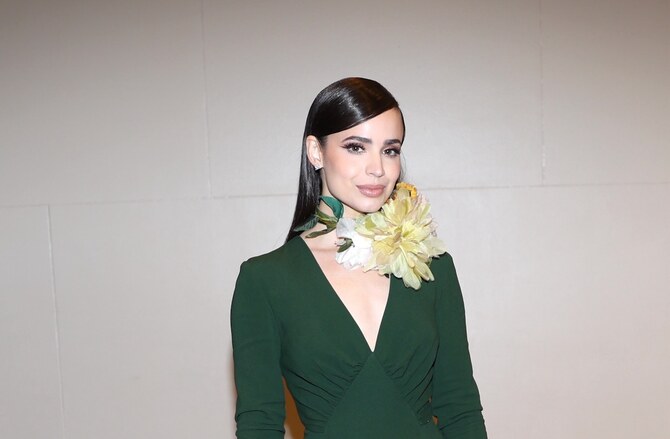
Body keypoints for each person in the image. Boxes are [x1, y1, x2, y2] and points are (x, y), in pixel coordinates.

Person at [231, 77, 487, 438]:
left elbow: (460, 409)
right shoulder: (265, 281)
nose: (377, 168)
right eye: (356, 147)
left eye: (390, 150)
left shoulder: (432, 266)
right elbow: (259, 424)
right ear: (316, 152)